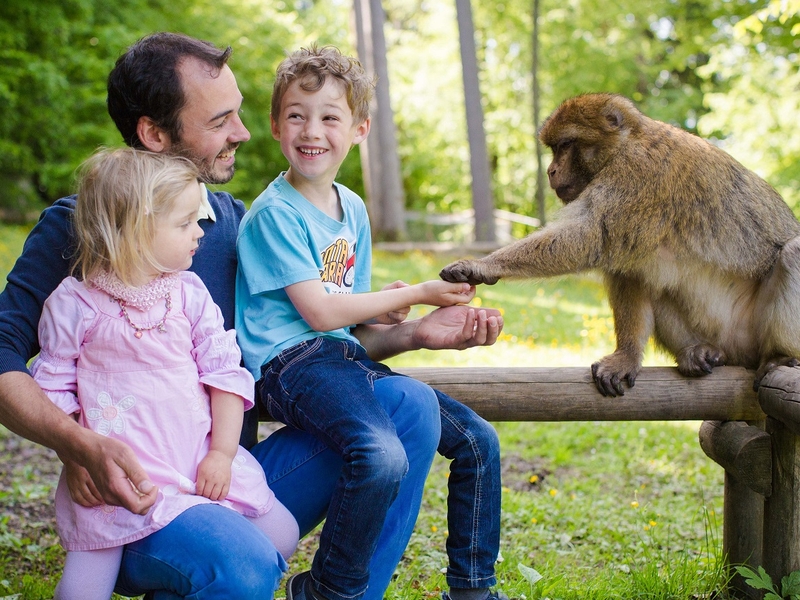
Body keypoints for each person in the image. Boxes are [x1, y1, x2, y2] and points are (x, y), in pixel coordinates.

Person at [0, 32, 503, 597]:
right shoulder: (87, 228)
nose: (242, 132)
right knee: (242, 562)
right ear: (155, 133)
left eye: (238, 114)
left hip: (223, 475)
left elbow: (299, 349)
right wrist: (75, 443)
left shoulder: (234, 224)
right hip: (137, 495)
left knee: (408, 407)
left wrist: (411, 334)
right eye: (221, 121)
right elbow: (1, 355)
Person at [236, 45, 505, 600]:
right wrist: (419, 292)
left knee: (478, 441)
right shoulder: (274, 214)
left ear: (359, 129)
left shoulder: (352, 209)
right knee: (379, 455)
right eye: (296, 115)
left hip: (338, 359)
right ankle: (328, 591)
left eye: (330, 117)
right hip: (289, 366)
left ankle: (474, 589)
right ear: (275, 125)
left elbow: (348, 329)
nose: (312, 131)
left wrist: (404, 323)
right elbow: (320, 313)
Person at [32, 147, 299, 599]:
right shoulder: (75, 304)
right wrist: (75, 457)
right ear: (137, 230)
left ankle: (177, 581)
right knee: (82, 591)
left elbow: (224, 375)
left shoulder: (188, 294)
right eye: (185, 223)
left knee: (283, 535)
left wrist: (222, 454)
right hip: (117, 478)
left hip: (195, 459)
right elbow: (54, 389)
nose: (200, 231)